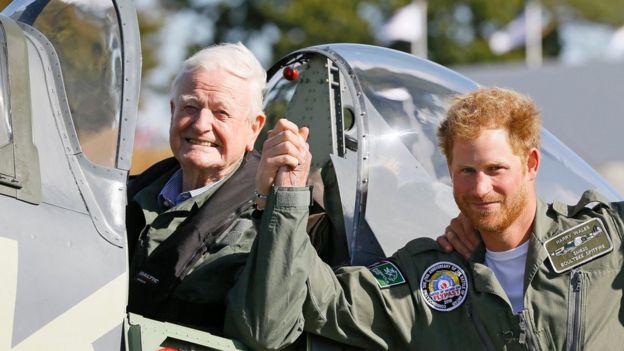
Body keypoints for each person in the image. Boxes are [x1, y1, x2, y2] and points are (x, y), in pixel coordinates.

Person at [225, 87, 624, 349]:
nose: (480, 189)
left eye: (495, 169)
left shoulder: (606, 240)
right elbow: (292, 309)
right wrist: (286, 197)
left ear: (531, 164)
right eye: (466, 172)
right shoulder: (424, 280)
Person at [125, 42, 266, 331]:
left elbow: (266, 330)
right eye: (191, 107)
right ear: (173, 110)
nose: (201, 125)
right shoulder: (128, 194)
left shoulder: (267, 223)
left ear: (254, 128)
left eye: (221, 113)